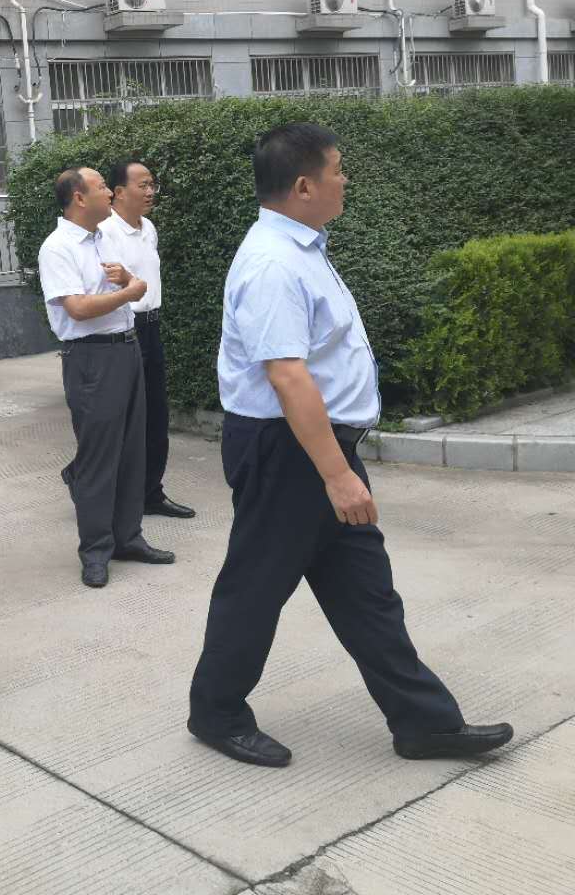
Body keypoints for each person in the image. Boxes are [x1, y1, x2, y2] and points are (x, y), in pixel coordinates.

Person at [187, 123, 512, 768]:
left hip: (318, 449)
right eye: (336, 170)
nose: (344, 180)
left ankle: (425, 724)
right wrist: (337, 475)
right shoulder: (273, 263)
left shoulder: (303, 249)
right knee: (256, 587)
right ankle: (216, 713)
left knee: (366, 592)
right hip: (290, 453)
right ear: (304, 185)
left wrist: (339, 465)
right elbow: (288, 377)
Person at [37, 167, 175, 589]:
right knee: (99, 457)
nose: (108, 195)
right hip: (91, 358)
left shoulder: (101, 239)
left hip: (126, 348)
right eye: (100, 188)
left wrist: (129, 283)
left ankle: (128, 537)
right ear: (79, 198)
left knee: (132, 449)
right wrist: (129, 292)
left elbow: (128, 283)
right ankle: (96, 550)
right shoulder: (58, 247)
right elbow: (77, 308)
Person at [98, 160, 196, 521]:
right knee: (123, 417)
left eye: (152, 184)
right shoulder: (105, 231)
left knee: (156, 413)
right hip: (124, 329)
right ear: (119, 192)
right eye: (143, 185)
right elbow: (108, 283)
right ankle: (92, 481)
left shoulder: (148, 228)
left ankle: (151, 493)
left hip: (151, 326)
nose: (150, 191)